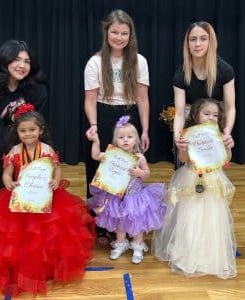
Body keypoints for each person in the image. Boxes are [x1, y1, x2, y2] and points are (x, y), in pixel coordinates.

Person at [0, 104, 95, 296]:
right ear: (17, 131)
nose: (28, 134)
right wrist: (8, 182)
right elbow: (7, 172)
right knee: (17, 235)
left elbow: (56, 168)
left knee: (48, 233)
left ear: (41, 130)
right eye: (23, 131)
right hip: (21, 196)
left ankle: (46, 267)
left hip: (46, 196)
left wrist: (56, 180)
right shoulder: (14, 151)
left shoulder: (47, 149)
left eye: (32, 130)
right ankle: (19, 265)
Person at [84, 9, 150, 244]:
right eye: (115, 32)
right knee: (100, 171)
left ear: (130, 35)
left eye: (124, 33)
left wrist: (144, 129)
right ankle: (99, 224)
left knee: (127, 173)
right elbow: (90, 99)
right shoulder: (95, 62)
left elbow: (142, 98)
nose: (119, 37)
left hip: (128, 114)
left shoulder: (139, 61)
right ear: (106, 33)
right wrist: (94, 126)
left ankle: (125, 222)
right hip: (102, 114)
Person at [151, 98, 236, 279]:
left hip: (213, 181)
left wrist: (229, 147)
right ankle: (187, 253)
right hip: (190, 178)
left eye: (215, 115)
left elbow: (226, 160)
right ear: (196, 115)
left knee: (211, 217)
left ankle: (209, 255)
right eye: (207, 113)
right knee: (190, 216)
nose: (211, 117)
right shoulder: (188, 134)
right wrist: (182, 148)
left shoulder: (220, 135)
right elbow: (183, 159)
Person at [86, 115, 166, 264]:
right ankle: (121, 243)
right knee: (119, 222)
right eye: (121, 137)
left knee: (137, 221)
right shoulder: (111, 155)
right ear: (116, 140)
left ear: (135, 139)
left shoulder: (139, 157)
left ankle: (137, 245)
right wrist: (96, 141)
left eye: (129, 137)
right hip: (116, 196)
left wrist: (141, 173)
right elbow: (95, 155)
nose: (125, 140)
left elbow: (147, 173)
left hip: (135, 197)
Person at [0, 39, 47, 195]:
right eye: (16, 60)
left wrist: (30, 148)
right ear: (4, 60)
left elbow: (37, 119)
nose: (22, 66)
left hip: (26, 136)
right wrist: (15, 151)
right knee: (0, 176)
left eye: (27, 61)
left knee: (28, 178)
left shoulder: (36, 85)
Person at [173, 21, 235, 168]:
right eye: (193, 39)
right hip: (192, 128)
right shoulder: (180, 75)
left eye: (203, 38)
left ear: (211, 42)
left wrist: (226, 132)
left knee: (211, 176)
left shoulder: (225, 70)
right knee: (185, 173)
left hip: (214, 127)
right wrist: (178, 137)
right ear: (187, 44)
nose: (197, 44)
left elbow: (230, 108)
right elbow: (180, 114)